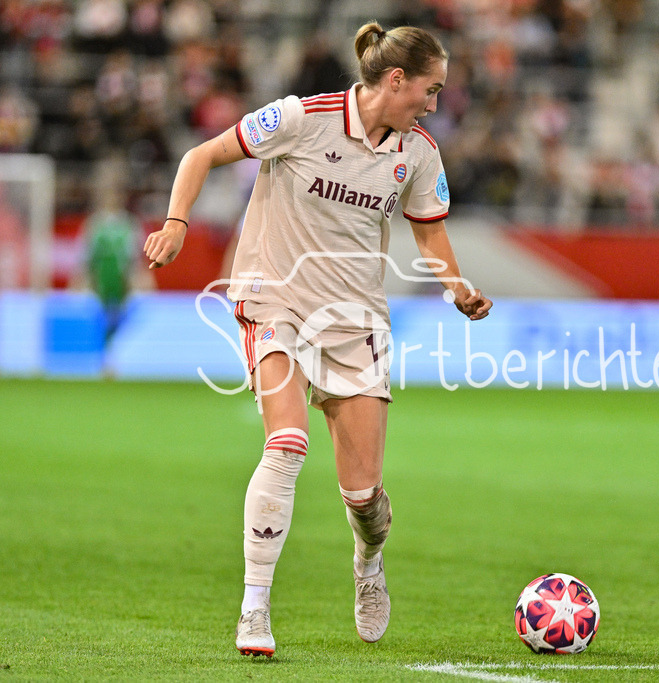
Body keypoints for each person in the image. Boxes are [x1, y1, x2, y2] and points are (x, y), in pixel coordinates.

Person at [143, 22, 492, 657]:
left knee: (364, 496)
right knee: (288, 439)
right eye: (431, 89)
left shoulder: (418, 154)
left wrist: (456, 287)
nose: (435, 104)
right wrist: (176, 223)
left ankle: (368, 561)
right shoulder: (300, 119)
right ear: (396, 80)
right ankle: (254, 611)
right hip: (273, 299)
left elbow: (430, 233)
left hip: (355, 321)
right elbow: (201, 155)